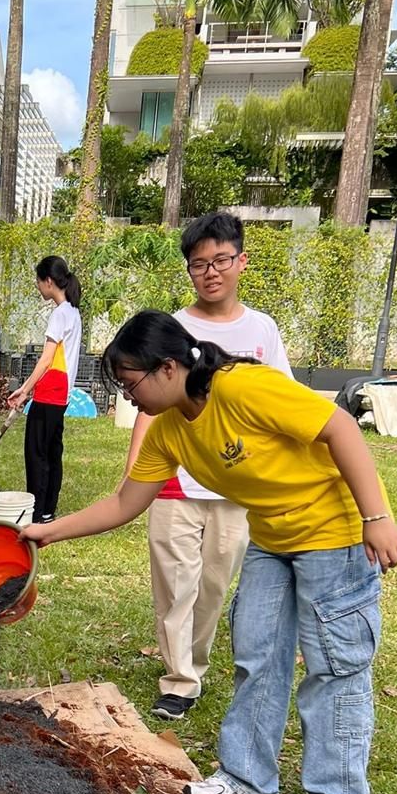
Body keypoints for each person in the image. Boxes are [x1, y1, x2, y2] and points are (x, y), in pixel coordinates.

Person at [22, 310, 397, 794]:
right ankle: (247, 775)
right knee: (257, 652)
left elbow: (338, 427)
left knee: (333, 666)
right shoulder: (170, 430)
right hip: (272, 538)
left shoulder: (244, 388)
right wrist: (47, 534)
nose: (127, 398)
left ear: (169, 368)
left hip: (335, 533)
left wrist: (376, 517)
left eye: (130, 384)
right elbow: (125, 502)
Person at [125, 212, 294, 721]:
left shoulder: (262, 329)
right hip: (175, 480)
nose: (211, 272)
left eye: (221, 260)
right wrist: (135, 472)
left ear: (241, 261)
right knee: (175, 582)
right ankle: (179, 679)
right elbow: (148, 403)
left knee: (213, 585)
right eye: (199, 265)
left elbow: (283, 401)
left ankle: (195, 659)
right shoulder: (173, 327)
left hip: (236, 486)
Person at [7, 255, 83, 523]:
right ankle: (48, 508)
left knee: (36, 452)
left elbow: (47, 358)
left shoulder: (60, 313)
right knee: (52, 450)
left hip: (50, 388)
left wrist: (25, 389)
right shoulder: (74, 311)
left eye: (38, 282)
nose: (38, 288)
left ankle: (37, 512)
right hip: (62, 391)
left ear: (48, 281)